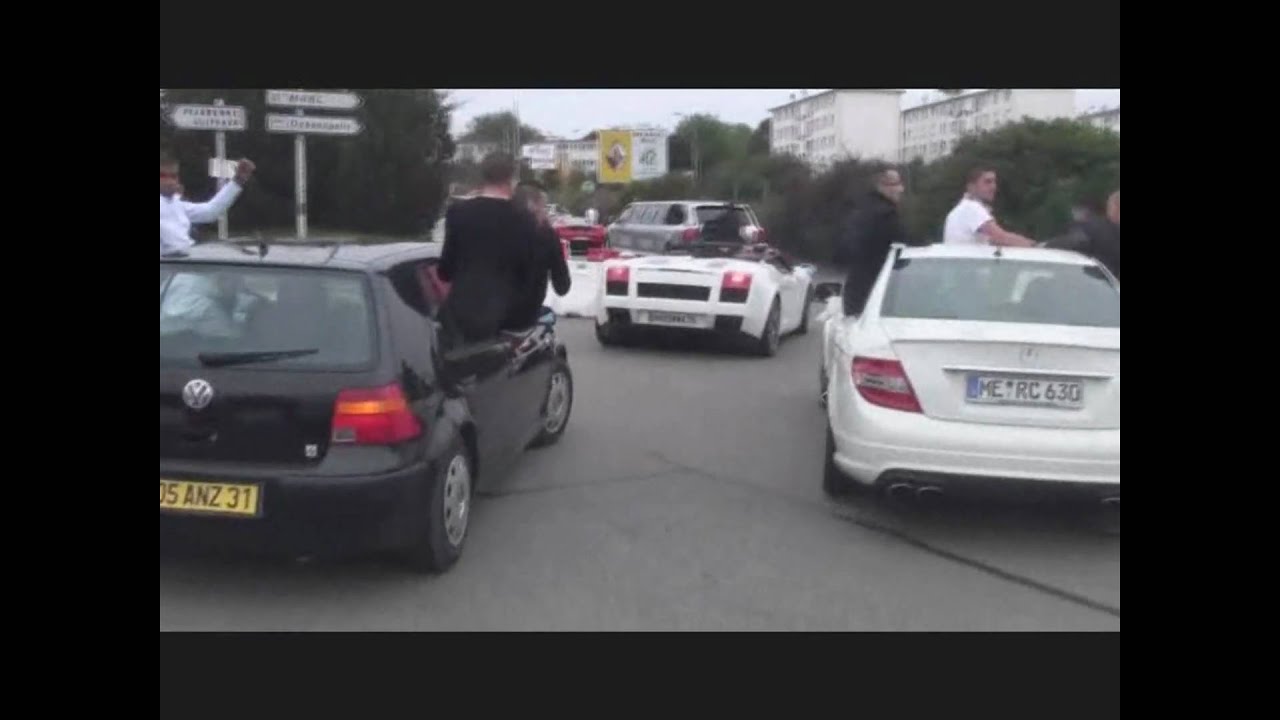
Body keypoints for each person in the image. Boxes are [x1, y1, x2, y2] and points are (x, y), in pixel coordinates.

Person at [437, 152, 540, 344]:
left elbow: (445, 271)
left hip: (459, 318)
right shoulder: (524, 220)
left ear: (483, 177)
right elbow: (529, 276)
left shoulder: (458, 213)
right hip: (503, 323)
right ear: (512, 179)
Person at [835, 164, 920, 316]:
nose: (901, 189)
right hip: (875, 294)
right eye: (897, 184)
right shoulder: (885, 215)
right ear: (883, 187)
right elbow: (906, 243)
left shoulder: (862, 209)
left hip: (856, 291)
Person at [160, 150, 255, 255]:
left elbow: (210, 212)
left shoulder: (178, 205)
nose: (169, 181)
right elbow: (175, 246)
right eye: (162, 176)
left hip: (182, 264)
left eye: (173, 176)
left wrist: (238, 180)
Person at [510, 181, 571, 328]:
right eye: (544, 207)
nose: (546, 213)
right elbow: (562, 286)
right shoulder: (546, 235)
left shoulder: (496, 228)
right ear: (534, 206)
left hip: (486, 316)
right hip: (525, 318)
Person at [943, 167, 1036, 247]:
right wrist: (1036, 246)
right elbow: (1000, 237)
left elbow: (993, 241)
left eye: (994, 182)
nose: (993, 187)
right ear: (971, 187)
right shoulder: (972, 208)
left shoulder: (961, 209)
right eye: (987, 182)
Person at [1044, 190, 1120, 281]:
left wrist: (1041, 246)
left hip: (1099, 285)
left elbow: (1075, 242)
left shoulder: (1100, 230)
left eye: (1109, 207)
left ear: (1116, 208)